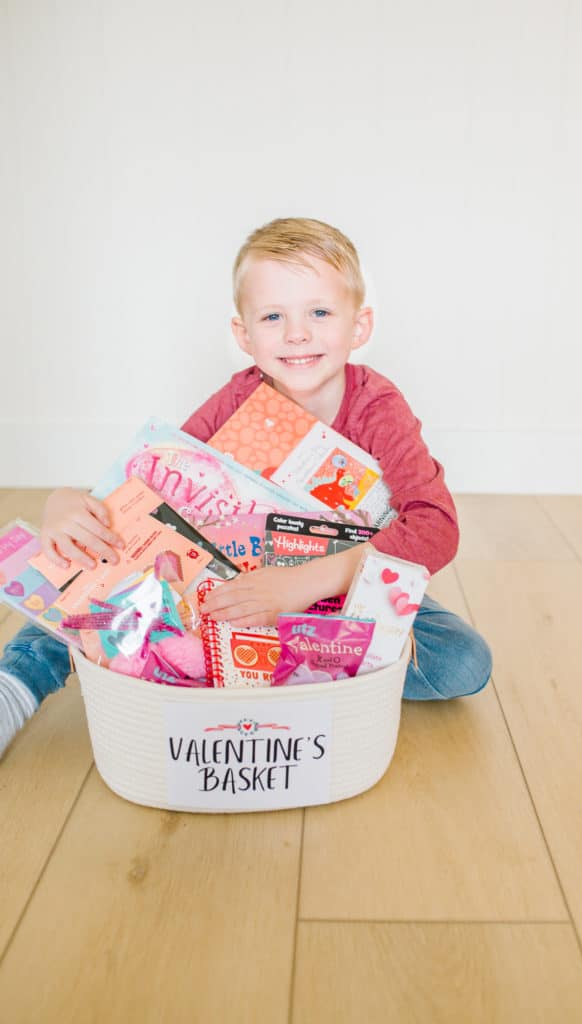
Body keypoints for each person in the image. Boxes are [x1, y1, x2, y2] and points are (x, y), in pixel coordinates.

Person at [0, 218, 492, 758]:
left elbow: (435, 527)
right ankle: (16, 687)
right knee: (84, 580)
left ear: (360, 326)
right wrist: (63, 503)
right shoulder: (238, 400)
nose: (297, 334)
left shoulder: (377, 408)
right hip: (231, 589)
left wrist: (304, 585)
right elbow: (148, 493)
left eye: (320, 312)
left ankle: (238, 673)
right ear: (244, 335)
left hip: (335, 596)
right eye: (273, 316)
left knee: (464, 661)